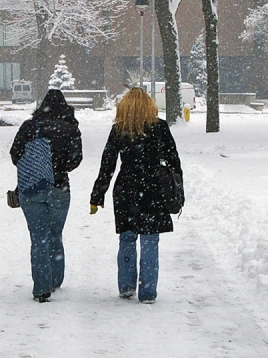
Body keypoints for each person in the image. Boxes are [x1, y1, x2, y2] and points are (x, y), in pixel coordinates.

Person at [90, 87, 182, 304]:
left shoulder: (120, 129)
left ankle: (126, 286)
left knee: (127, 238)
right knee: (150, 240)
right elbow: (173, 161)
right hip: (153, 189)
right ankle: (148, 291)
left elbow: (108, 165)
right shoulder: (160, 128)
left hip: (126, 189)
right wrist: (177, 189)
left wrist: (97, 195)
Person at [10, 89, 83, 303]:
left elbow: (15, 155)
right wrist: (58, 167)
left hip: (31, 187)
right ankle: (55, 279)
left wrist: (36, 165)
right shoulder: (71, 129)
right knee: (55, 233)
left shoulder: (29, 127)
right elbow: (76, 160)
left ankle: (41, 287)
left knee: (38, 236)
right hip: (59, 187)